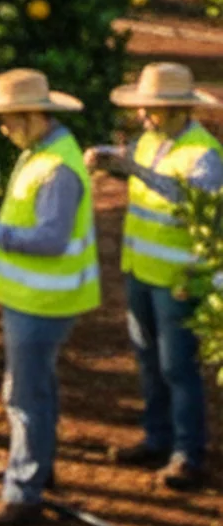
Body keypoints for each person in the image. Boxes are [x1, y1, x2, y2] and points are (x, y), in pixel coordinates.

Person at [0, 69, 100, 526]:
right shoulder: (41, 153)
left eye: (8, 119)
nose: (3, 129)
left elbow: (51, 239)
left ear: (32, 115)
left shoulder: (56, 168)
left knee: (24, 395)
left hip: (43, 301)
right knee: (37, 387)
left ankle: (23, 491)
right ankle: (37, 465)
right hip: (35, 297)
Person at [87, 62, 221, 492]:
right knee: (148, 359)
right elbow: (135, 163)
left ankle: (188, 454)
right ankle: (156, 437)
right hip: (141, 270)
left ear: (180, 109)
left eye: (153, 109)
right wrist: (109, 159)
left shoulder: (204, 154)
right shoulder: (150, 141)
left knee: (178, 366)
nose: (144, 115)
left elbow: (191, 198)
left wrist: (134, 170)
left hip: (178, 277)